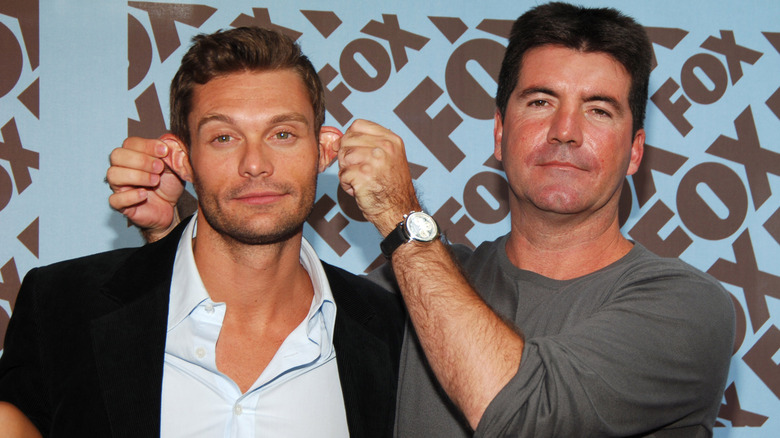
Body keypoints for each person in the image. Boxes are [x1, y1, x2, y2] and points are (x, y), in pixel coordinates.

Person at [106, 3, 735, 437]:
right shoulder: (406, 287)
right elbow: (257, 339)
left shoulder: (686, 307)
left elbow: (518, 417)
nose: (565, 132)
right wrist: (171, 233)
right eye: (540, 101)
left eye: (598, 110)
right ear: (499, 132)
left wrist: (402, 217)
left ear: (635, 151)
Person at [0, 27, 404, 437]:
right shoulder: (61, 306)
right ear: (183, 159)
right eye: (223, 137)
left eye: (282, 134)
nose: (255, 164)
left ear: (323, 151)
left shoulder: (394, 334)